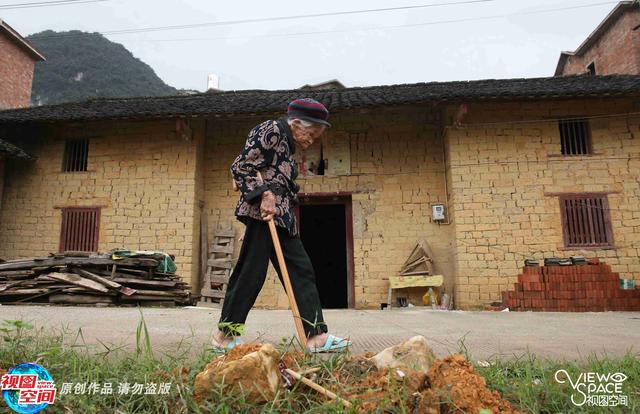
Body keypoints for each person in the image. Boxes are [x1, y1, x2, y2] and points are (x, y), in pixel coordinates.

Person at [211, 98, 352, 353]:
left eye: (316, 135)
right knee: (250, 276)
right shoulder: (271, 130)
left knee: (301, 271)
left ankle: (315, 336)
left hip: (282, 219)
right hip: (264, 216)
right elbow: (241, 167)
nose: (311, 140)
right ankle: (225, 337)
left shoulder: (288, 145)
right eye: (311, 133)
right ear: (296, 123)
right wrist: (263, 197)